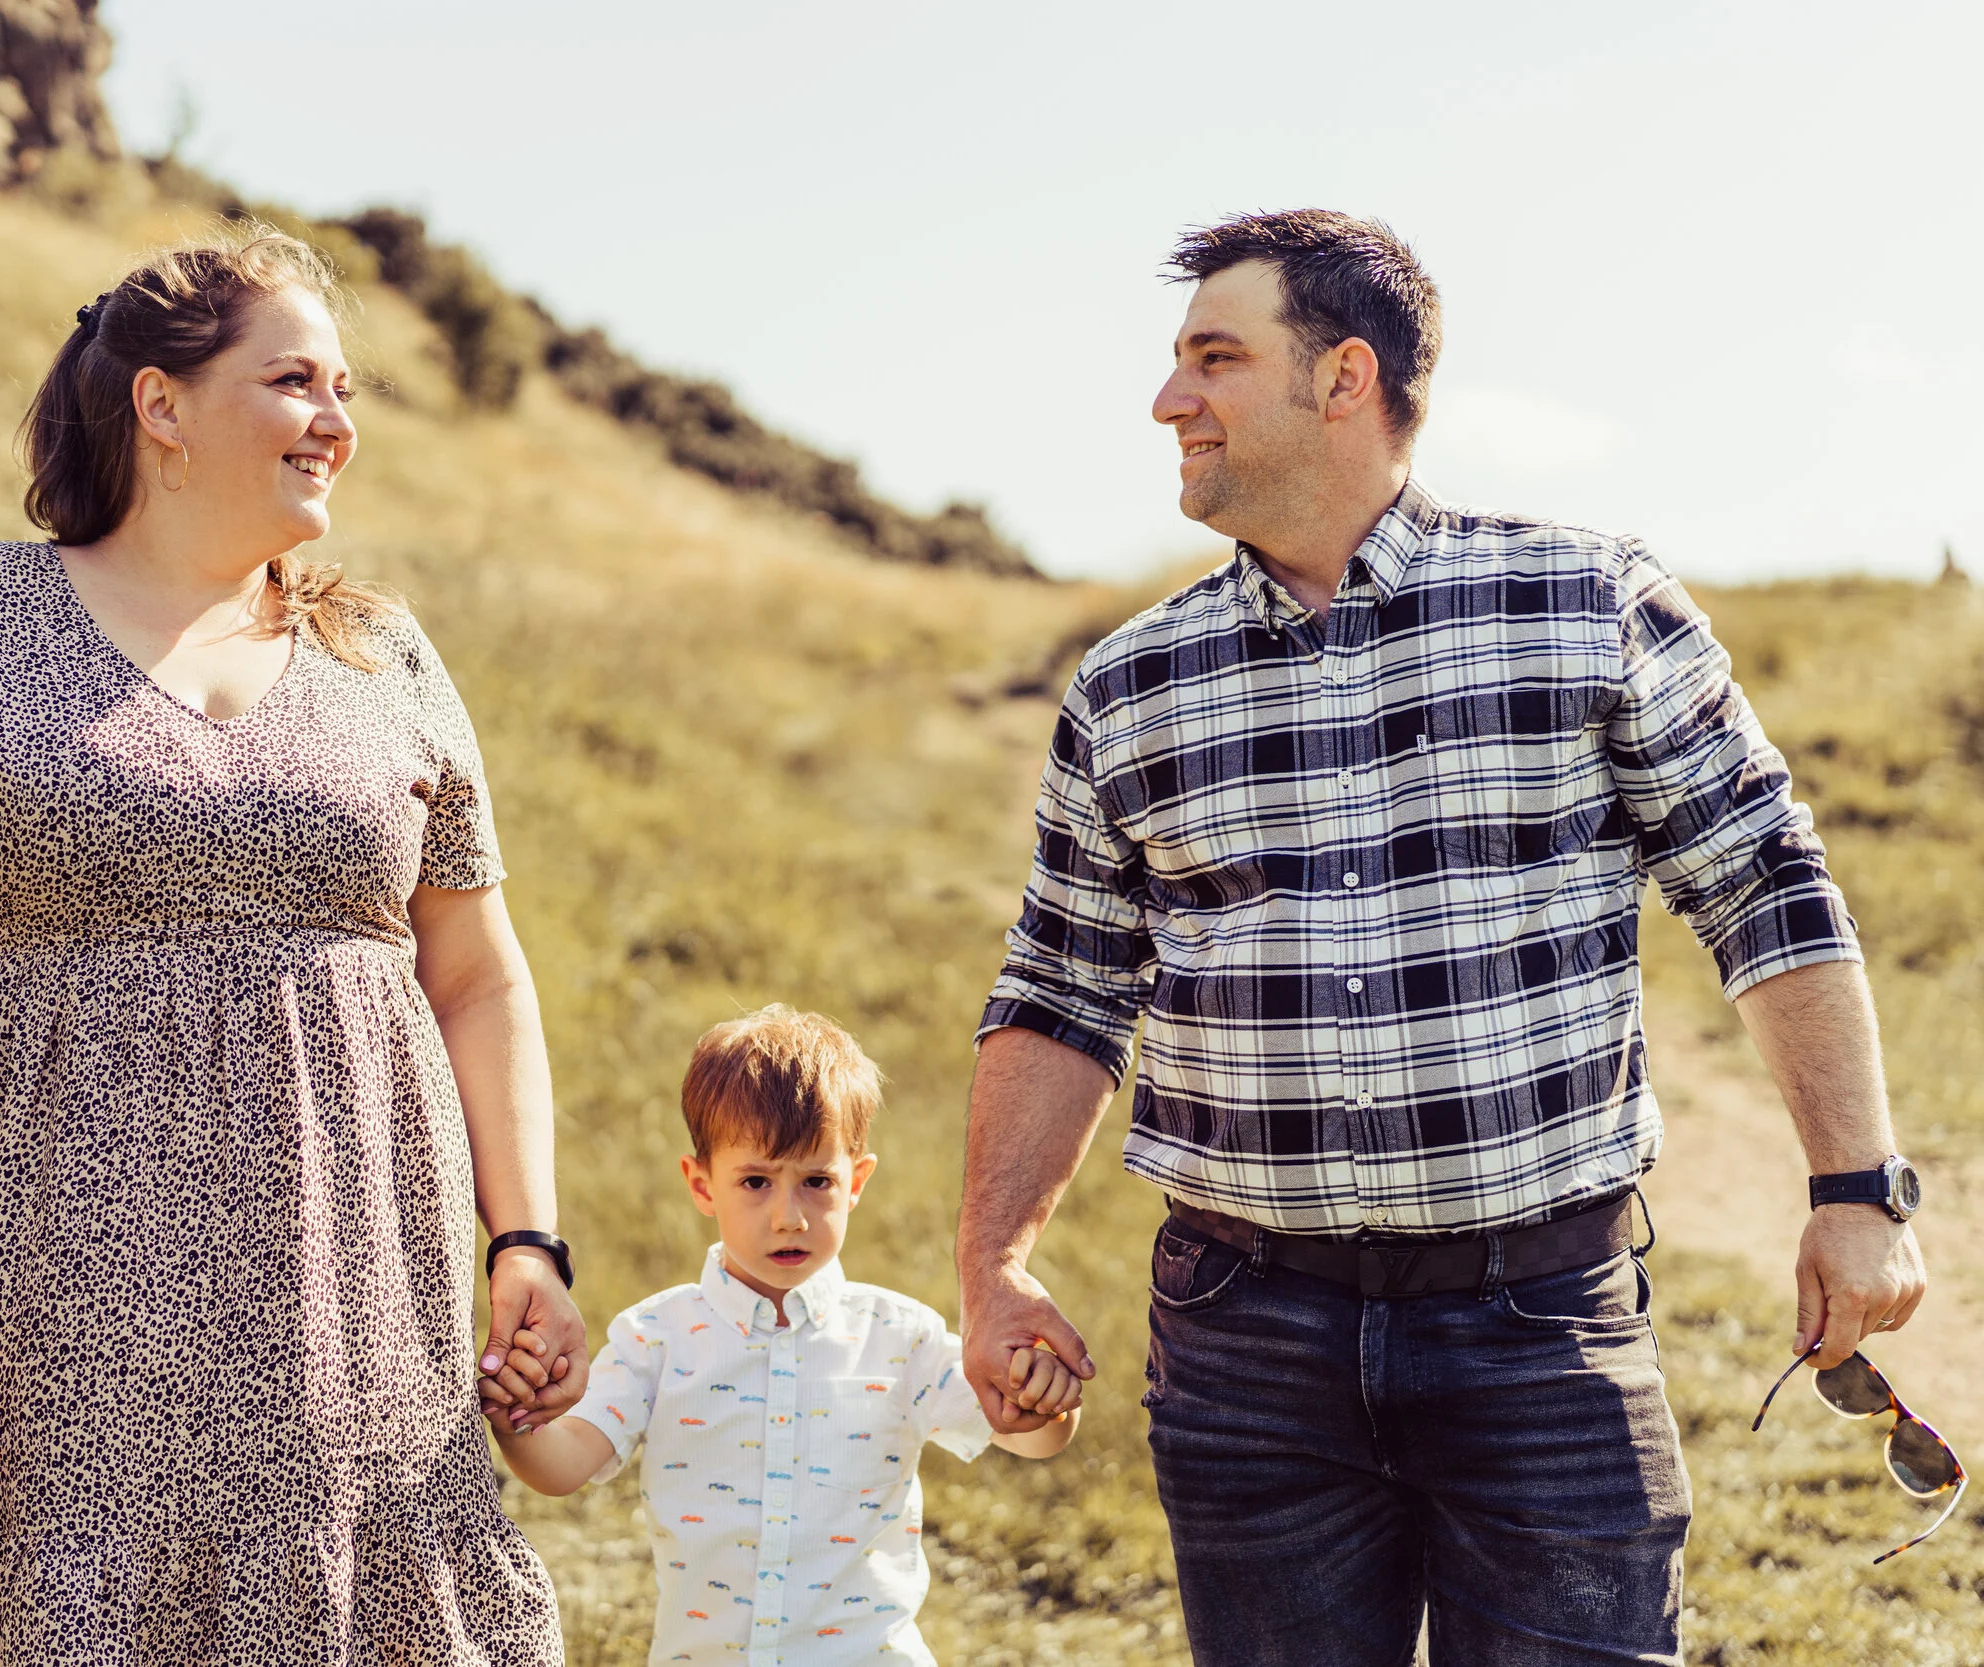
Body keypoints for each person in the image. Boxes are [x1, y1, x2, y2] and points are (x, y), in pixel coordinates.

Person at [955, 209, 1929, 1665]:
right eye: (1174, 365)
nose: (1170, 401)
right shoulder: (1128, 686)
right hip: (1244, 1338)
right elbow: (1063, 982)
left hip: (1538, 1322)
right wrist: (995, 1261)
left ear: (1344, 378)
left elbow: (1765, 882)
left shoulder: (1588, 602)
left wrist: (1860, 1184)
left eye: (1215, 359)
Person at [0, 228, 582, 1662]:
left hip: (345, 1314)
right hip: (8, 1309)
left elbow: (479, 976)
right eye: (295, 379)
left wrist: (527, 1239)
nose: (339, 421)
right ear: (160, 404)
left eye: (345, 386)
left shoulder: (390, 661)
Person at [489, 1005, 1080, 1665]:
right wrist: (518, 1417)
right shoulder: (656, 1337)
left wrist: (1042, 1397)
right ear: (701, 1183)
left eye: (816, 1182)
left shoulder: (900, 1337)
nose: (788, 1217)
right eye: (756, 1181)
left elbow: (1027, 1432)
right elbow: (566, 1462)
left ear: (855, 1183)